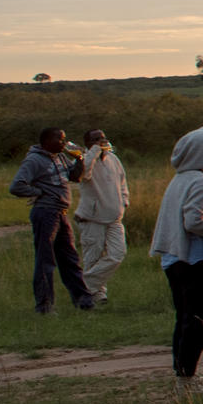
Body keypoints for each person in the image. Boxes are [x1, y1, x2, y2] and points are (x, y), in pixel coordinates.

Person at [149, 126, 203, 389]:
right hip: (195, 259)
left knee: (184, 317)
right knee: (198, 320)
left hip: (173, 258)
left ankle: (183, 373)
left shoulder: (179, 178)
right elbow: (194, 221)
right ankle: (188, 378)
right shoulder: (201, 182)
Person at [9, 126, 92, 313]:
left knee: (70, 257)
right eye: (59, 139)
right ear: (46, 141)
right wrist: (39, 192)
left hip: (61, 213)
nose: (63, 143)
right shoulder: (34, 160)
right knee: (46, 259)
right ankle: (44, 305)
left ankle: (83, 300)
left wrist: (79, 159)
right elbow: (16, 186)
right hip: (45, 212)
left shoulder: (61, 157)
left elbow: (75, 177)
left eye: (64, 139)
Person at [73, 129, 129, 306]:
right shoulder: (84, 159)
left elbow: (122, 182)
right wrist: (94, 152)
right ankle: (96, 294)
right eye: (95, 139)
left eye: (102, 138)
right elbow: (83, 175)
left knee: (117, 254)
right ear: (88, 143)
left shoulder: (113, 159)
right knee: (93, 257)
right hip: (92, 217)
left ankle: (82, 286)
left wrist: (124, 201)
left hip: (114, 217)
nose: (101, 141)